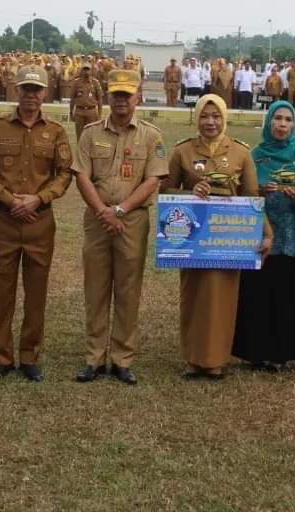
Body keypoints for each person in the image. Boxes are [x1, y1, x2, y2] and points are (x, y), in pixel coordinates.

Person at [162, 94, 272, 379]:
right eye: (204, 116)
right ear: (196, 118)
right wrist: (190, 193)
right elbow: (165, 192)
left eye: (216, 116)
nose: (210, 122)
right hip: (192, 238)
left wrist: (267, 233)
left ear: (224, 119)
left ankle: (216, 360)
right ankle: (193, 358)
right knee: (193, 295)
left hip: (228, 237)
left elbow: (252, 197)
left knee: (223, 298)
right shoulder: (182, 152)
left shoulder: (240, 153)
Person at [0, 66, 73, 382]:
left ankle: (30, 355)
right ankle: (3, 356)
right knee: (3, 290)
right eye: (26, 89)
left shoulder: (56, 131)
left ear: (46, 92)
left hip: (40, 223)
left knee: (36, 290)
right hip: (4, 221)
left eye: (37, 89)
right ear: (16, 91)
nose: (31, 95)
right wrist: (10, 200)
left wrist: (39, 199)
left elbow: (65, 174)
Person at [72, 69, 168, 385]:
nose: (122, 100)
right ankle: (94, 357)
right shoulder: (90, 133)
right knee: (96, 289)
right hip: (98, 220)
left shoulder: (151, 135)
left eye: (128, 94)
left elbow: (153, 179)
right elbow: (82, 176)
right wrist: (103, 210)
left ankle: (122, 358)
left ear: (137, 96)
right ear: (108, 97)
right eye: (117, 95)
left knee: (128, 291)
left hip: (132, 220)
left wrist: (120, 209)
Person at [233, 101, 295, 371]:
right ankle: (254, 351)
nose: (282, 124)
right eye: (277, 118)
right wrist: (259, 192)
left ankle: (280, 353)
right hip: (260, 233)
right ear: (268, 122)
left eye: (288, 120)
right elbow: (243, 192)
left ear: (293, 125)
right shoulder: (254, 155)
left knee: (285, 295)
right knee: (258, 294)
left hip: (289, 236)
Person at [70, 62, 103, 141]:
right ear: (81, 71)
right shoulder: (76, 82)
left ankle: (90, 153)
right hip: (79, 112)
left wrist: (99, 114)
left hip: (91, 112)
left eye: (88, 69)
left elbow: (100, 99)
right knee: (80, 137)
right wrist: (71, 112)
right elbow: (72, 98)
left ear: (91, 71)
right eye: (84, 69)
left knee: (91, 136)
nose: (86, 72)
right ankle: (80, 153)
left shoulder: (95, 83)